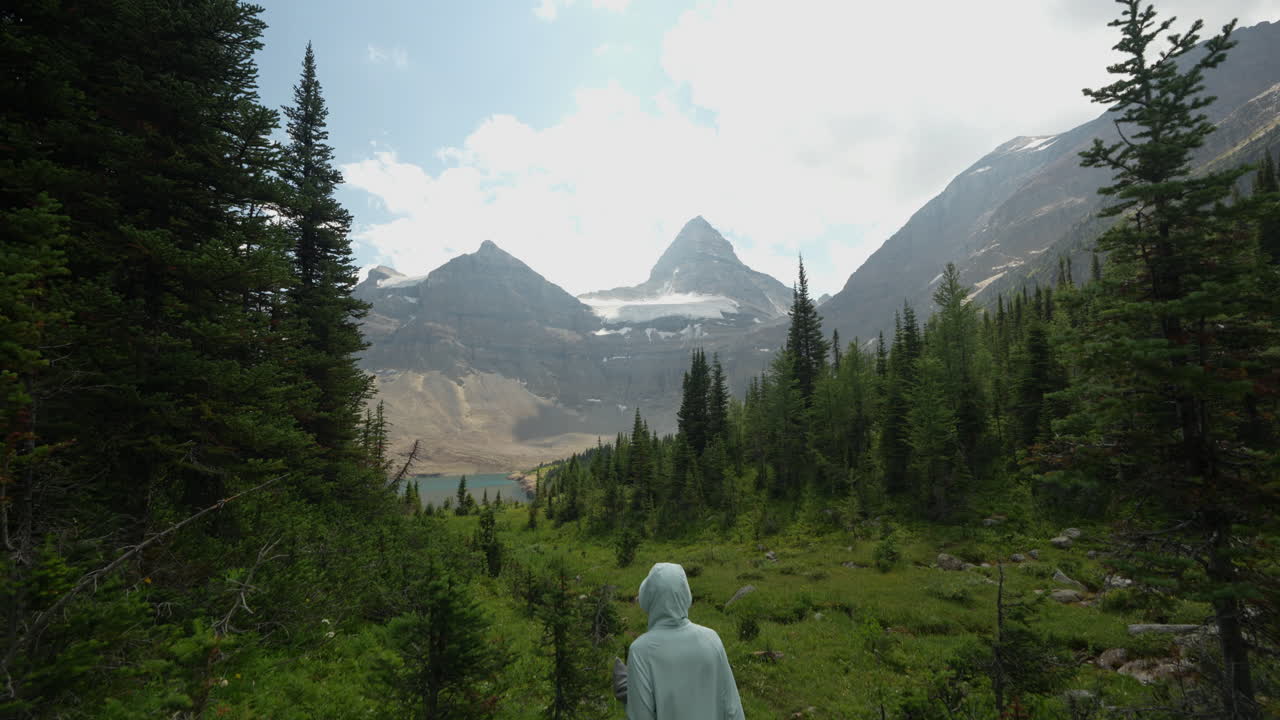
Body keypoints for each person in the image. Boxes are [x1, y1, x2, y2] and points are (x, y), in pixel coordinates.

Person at [619, 562, 744, 719]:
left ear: (648, 597)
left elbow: (641, 716)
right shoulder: (711, 640)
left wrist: (627, 698)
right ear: (686, 594)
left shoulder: (640, 652)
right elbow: (732, 709)